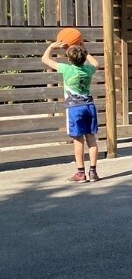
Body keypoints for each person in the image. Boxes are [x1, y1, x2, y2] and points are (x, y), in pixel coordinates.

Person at [42, 40, 101, 182]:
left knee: (78, 140)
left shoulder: (66, 69)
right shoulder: (88, 70)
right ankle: (93, 172)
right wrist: (84, 49)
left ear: (69, 59)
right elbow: (96, 64)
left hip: (75, 109)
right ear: (84, 56)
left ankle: (81, 174)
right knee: (91, 139)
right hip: (89, 106)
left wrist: (52, 46)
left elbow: (45, 59)